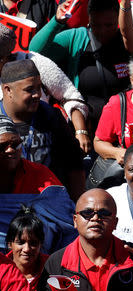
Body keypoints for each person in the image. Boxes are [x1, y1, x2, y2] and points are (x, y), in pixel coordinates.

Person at [29, 0, 132, 133]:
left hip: (123, 128)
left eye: (109, 25)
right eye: (96, 25)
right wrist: (57, 21)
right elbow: (35, 51)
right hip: (85, 129)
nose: (103, 31)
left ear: (118, 19)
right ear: (89, 19)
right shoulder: (76, 37)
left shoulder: (128, 38)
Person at [0, 59, 85, 200]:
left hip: (49, 200)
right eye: (29, 90)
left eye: (39, 88)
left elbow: (74, 165)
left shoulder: (52, 116)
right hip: (7, 203)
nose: (37, 94)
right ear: (8, 90)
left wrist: (77, 205)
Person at [0, 23, 91, 153]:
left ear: (4, 57)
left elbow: (69, 95)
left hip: (46, 145)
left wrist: (81, 132)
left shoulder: (33, 62)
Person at [0, 115, 62, 193]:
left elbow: (59, 202)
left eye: (15, 144)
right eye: (2, 146)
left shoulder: (40, 173)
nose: (10, 150)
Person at [6, 206, 48, 291]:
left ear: (41, 244)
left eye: (33, 243)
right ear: (10, 244)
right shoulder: (2, 270)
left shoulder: (52, 269)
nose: (27, 249)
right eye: (20, 243)